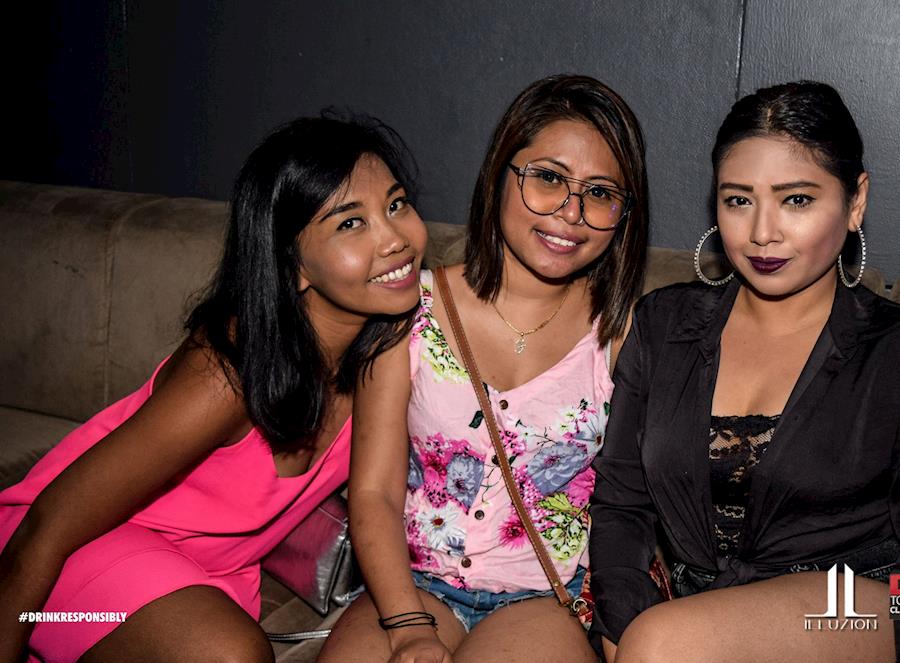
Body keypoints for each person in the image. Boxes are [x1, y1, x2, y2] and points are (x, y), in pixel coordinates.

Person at [0, 114, 428, 663]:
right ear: (293, 264)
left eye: (396, 204)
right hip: (74, 557)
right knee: (230, 656)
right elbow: (49, 525)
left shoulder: (398, 348)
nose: (394, 239)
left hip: (207, 575)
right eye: (351, 223)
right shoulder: (230, 370)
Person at [589, 80, 900, 663]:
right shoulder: (663, 327)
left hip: (861, 608)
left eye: (796, 200)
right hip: (691, 628)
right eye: (738, 200)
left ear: (855, 201)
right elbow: (622, 506)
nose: (761, 233)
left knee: (665, 641)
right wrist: (622, 622)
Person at [319, 74, 649, 663]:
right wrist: (408, 626)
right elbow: (372, 491)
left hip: (541, 599)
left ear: (624, 213)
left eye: (600, 193)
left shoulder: (622, 335)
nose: (570, 213)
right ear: (500, 172)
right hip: (411, 585)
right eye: (548, 178)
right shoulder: (408, 309)